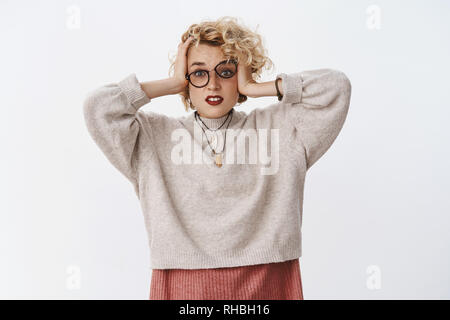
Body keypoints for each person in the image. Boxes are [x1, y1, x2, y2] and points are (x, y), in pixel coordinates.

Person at [83, 16, 352, 300]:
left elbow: (336, 87)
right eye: (198, 73)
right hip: (182, 282)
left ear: (242, 75)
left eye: (225, 71)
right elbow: (97, 107)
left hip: (267, 279)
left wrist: (258, 88)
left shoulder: (281, 128)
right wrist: (171, 82)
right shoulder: (153, 137)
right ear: (186, 79)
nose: (212, 85)